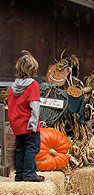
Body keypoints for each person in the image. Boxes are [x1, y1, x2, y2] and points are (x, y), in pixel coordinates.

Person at [7, 50, 44, 182]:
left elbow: (10, 106)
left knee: (20, 149)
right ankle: (29, 174)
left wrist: (13, 124)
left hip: (17, 125)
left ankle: (20, 174)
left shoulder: (13, 88)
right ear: (33, 70)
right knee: (32, 148)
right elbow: (34, 104)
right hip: (29, 124)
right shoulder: (33, 85)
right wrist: (33, 123)